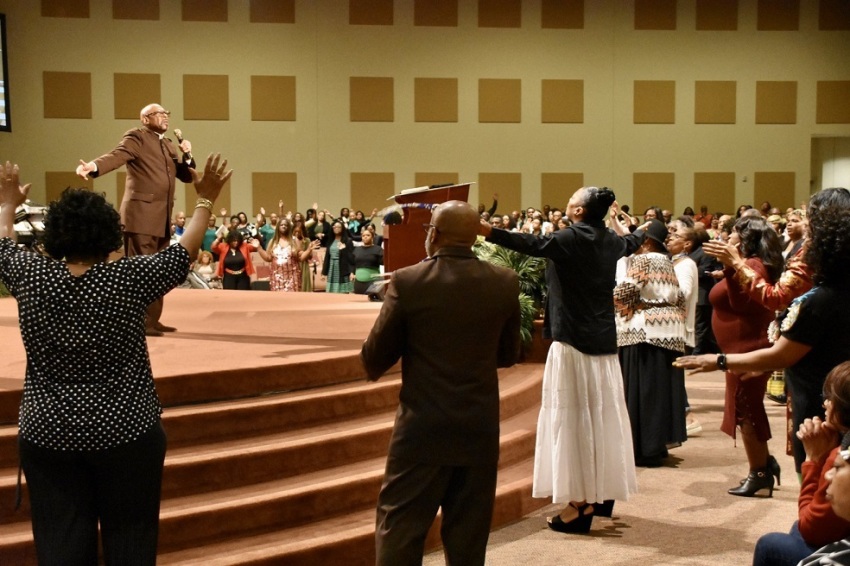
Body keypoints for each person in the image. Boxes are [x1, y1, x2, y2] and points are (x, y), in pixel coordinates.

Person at [0, 155, 231, 565]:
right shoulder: (127, 279)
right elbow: (184, 253)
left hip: (49, 434)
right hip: (127, 434)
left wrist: (5, 204)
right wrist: (205, 200)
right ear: (110, 235)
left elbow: (1, 244)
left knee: (60, 546)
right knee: (132, 542)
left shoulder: (30, 275)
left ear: (53, 236)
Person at [361, 200, 520, 566]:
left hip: (422, 428)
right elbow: (509, 355)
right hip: (478, 427)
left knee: (400, 527)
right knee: (469, 536)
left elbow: (374, 359)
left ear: (435, 234)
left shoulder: (408, 281)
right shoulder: (504, 282)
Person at [480, 186, 646, 533]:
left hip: (572, 342)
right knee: (599, 419)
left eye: (572, 200)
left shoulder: (570, 238)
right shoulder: (611, 242)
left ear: (579, 212)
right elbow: (632, 242)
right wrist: (616, 221)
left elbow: (527, 244)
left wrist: (486, 231)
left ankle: (579, 504)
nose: (567, 203)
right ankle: (595, 495)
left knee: (573, 422)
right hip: (602, 343)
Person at [675, 188, 850, 479]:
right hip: (814, 376)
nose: (805, 227)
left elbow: (776, 298)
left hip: (819, 390)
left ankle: (765, 475)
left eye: (809, 220)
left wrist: (718, 361)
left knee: (820, 472)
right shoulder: (832, 293)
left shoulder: (820, 299)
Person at [75, 103, 195, 337]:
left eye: (166, 114)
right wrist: (94, 166)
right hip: (140, 215)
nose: (165, 117)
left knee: (157, 271)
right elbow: (117, 156)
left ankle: (152, 320)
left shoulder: (169, 145)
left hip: (161, 218)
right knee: (140, 272)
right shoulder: (137, 137)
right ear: (145, 119)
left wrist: (188, 155)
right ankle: (138, 322)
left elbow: (186, 177)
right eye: (159, 114)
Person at [753, 361, 850, 566]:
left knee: (771, 544)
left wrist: (814, 461)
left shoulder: (843, 456)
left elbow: (811, 528)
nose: (825, 404)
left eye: (829, 398)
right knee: (797, 531)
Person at [614, 219, 688, 466]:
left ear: (645, 241)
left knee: (644, 391)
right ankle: (656, 444)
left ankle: (644, 447)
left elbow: (624, 292)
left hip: (645, 331)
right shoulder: (667, 262)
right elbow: (679, 299)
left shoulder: (643, 260)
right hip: (669, 330)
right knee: (660, 390)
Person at [257, 218, 315, 292]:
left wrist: (309, 249)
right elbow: (268, 258)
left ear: (289, 228)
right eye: (281, 225)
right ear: (278, 227)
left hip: (293, 277)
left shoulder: (294, 240)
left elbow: (300, 258)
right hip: (277, 277)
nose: (284, 226)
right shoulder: (273, 241)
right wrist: (259, 248)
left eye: (286, 225)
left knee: (292, 300)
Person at [322, 220, 355, 293]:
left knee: (342, 291)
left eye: (339, 227)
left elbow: (351, 257)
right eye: (335, 227)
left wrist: (344, 249)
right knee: (331, 291)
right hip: (332, 266)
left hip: (342, 267)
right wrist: (324, 272)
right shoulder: (330, 240)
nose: (336, 228)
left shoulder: (348, 241)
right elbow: (327, 257)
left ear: (342, 228)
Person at [352, 226, 383, 294]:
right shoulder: (357, 250)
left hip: (374, 281)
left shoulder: (378, 249)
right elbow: (353, 263)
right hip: (358, 282)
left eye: (368, 235)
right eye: (363, 236)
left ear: (372, 237)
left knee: (372, 300)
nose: (365, 237)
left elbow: (383, 262)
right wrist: (352, 273)